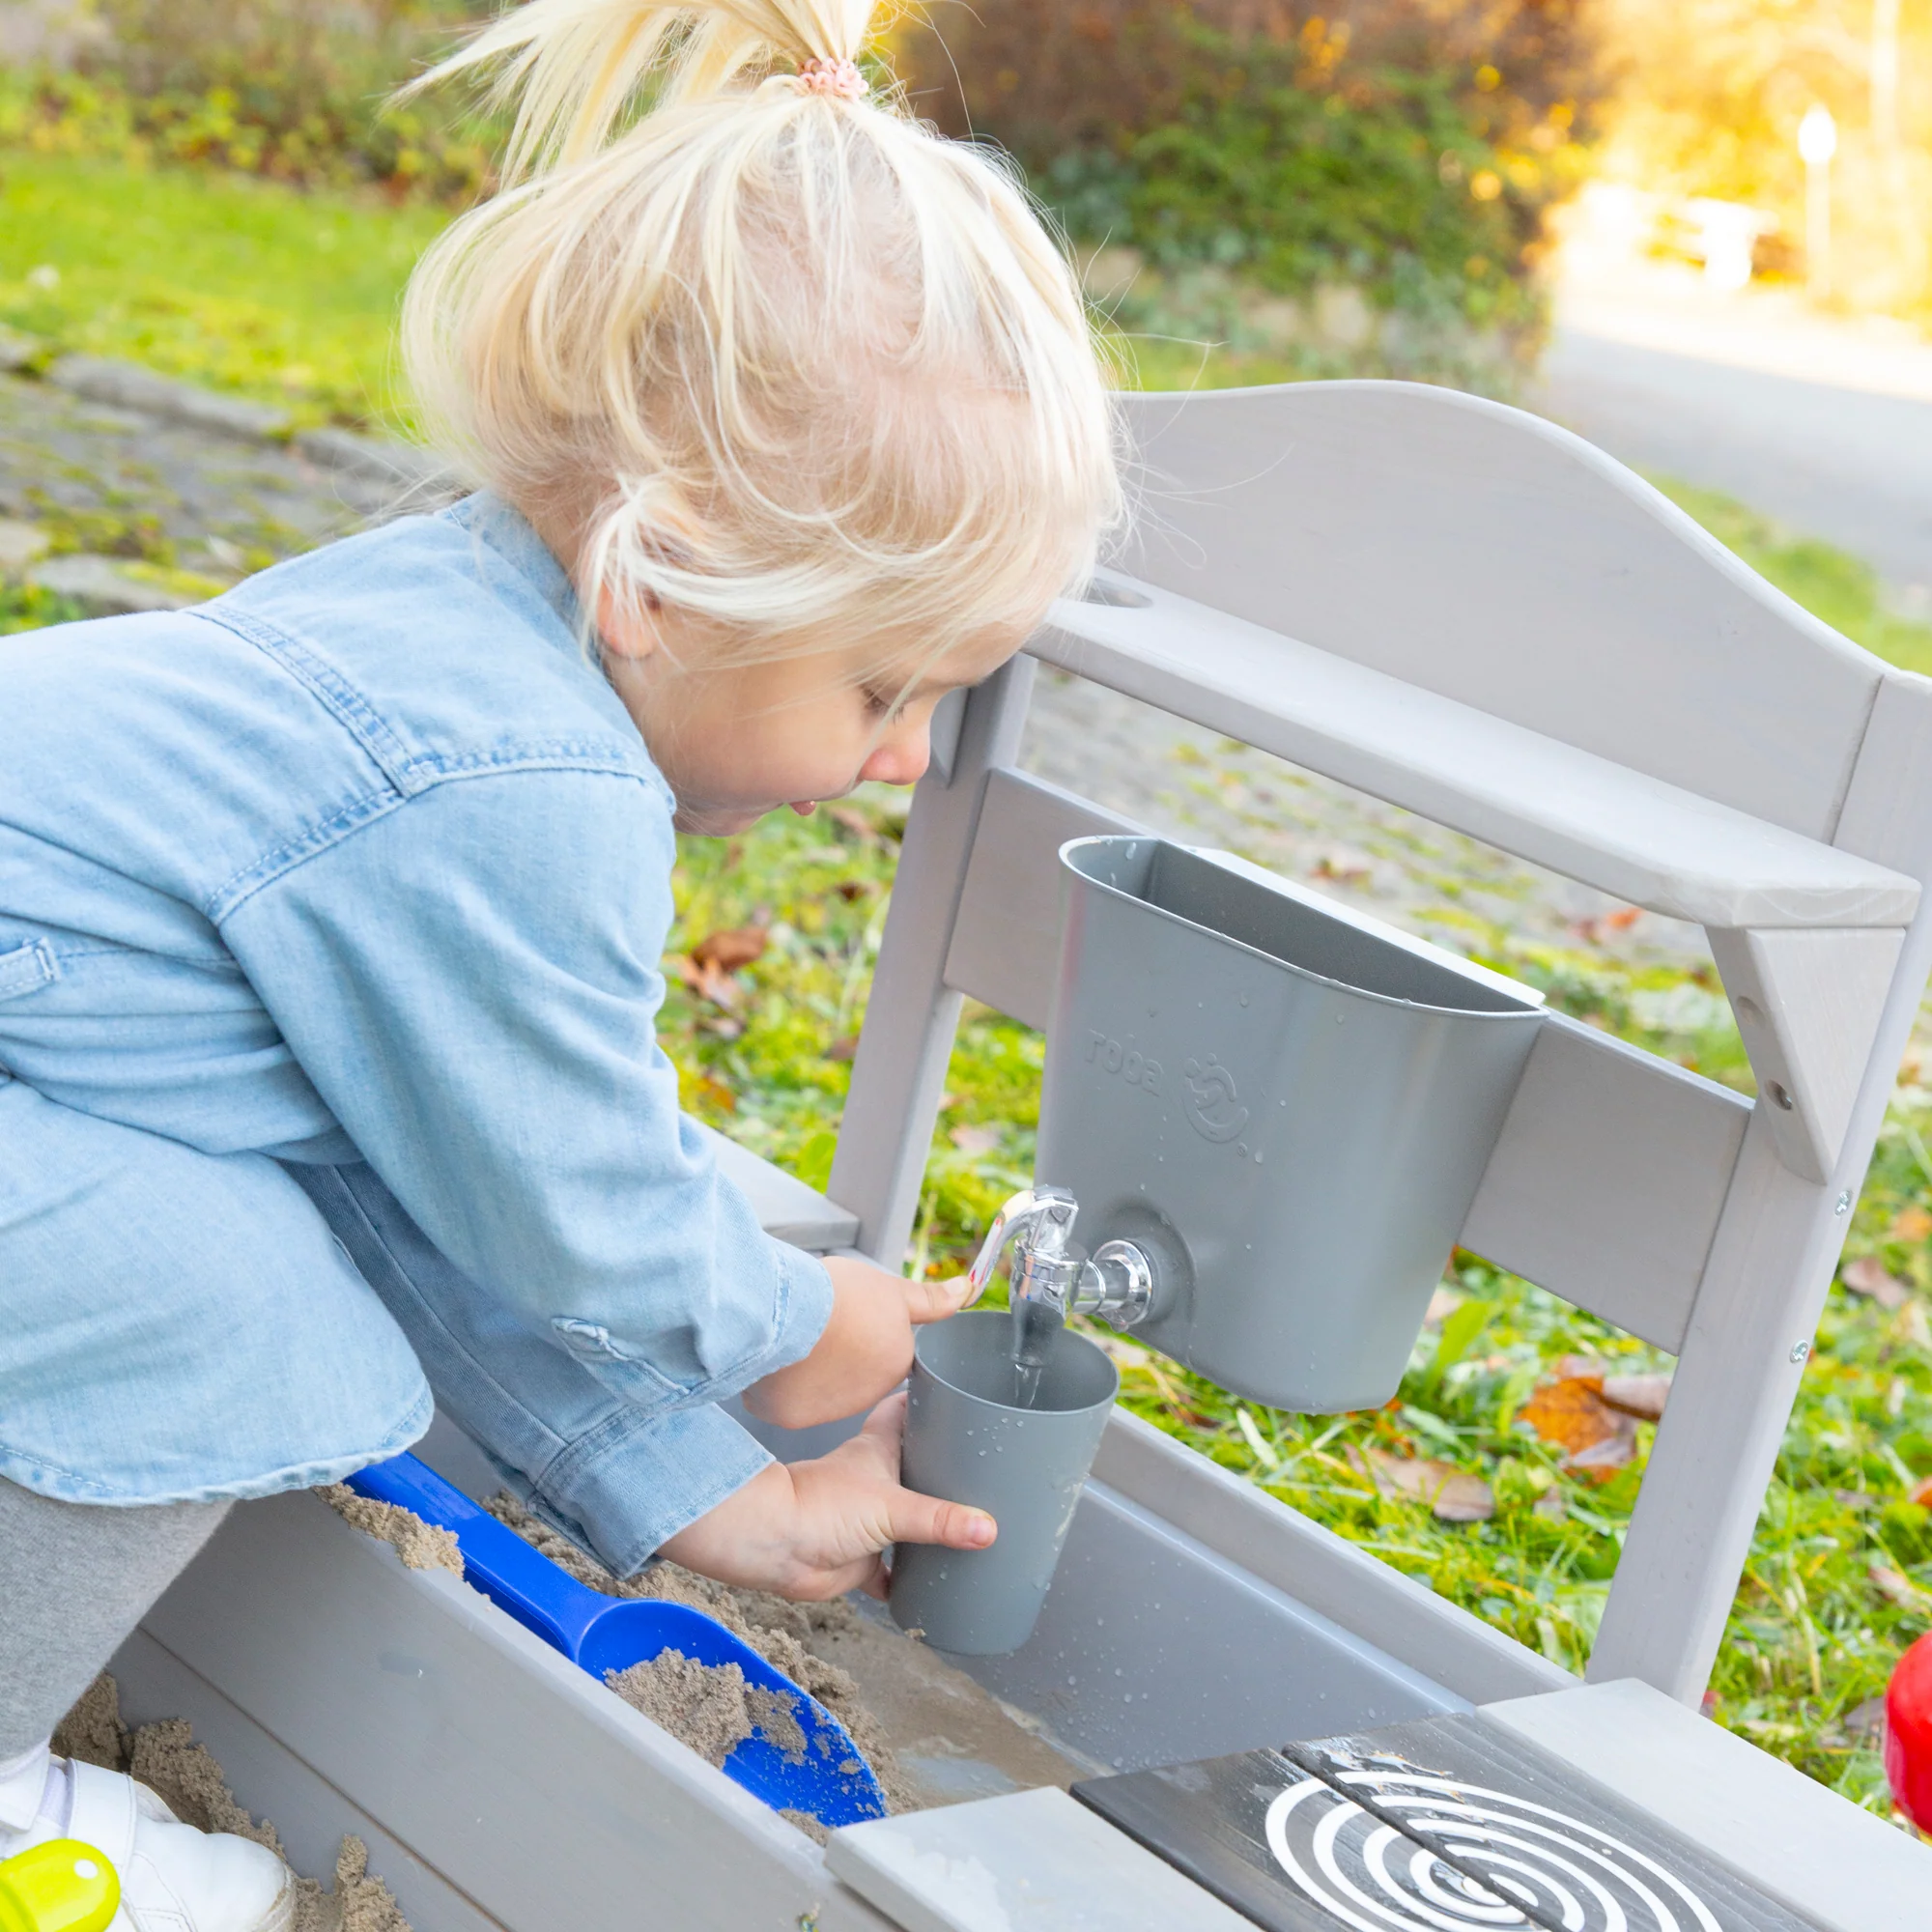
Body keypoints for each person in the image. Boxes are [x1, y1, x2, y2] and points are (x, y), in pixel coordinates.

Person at [0, 0, 1121, 1922]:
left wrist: (711, 1487)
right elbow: (575, 1211)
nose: (906, 756)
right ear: (669, 576)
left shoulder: (445, 627)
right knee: (236, 1301)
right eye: (883, 681)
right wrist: (798, 1324)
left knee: (271, 1249)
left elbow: (426, 1196)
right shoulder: (518, 785)